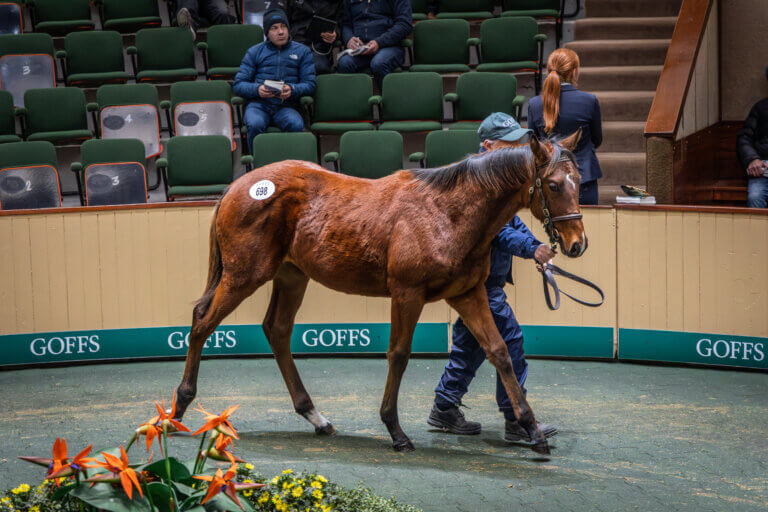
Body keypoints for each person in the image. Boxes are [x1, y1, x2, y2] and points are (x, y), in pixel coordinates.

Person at [428, 112, 558, 445]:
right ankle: (517, 418)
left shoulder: (496, 181)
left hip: (485, 281)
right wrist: (532, 249)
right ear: (489, 147)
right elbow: (499, 232)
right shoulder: (475, 184)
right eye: (511, 143)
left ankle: (444, 406)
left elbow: (512, 224)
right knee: (509, 342)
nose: (519, 149)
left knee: (470, 346)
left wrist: (536, 247)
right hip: (481, 284)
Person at [233, 9, 316, 154]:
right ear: (267, 33)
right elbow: (239, 84)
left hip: (287, 106)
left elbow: (310, 84)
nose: (281, 32)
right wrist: (257, 90)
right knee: (255, 123)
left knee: (295, 123)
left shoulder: (303, 51)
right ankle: (257, 166)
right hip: (258, 104)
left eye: (283, 27)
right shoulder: (255, 51)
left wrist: (292, 89)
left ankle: (289, 166)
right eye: (274, 28)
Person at [528, 48, 602, 205]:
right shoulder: (589, 101)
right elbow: (597, 139)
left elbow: (534, 145)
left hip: (550, 182)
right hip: (583, 179)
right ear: (574, 72)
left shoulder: (534, 104)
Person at [336, 0, 412, 87]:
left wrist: (379, 42)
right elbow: (346, 24)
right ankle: (355, 100)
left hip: (388, 46)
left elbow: (404, 24)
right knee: (344, 63)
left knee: (378, 63)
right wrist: (349, 39)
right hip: (360, 49)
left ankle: (387, 99)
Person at [736, 68, 768, 208]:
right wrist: (752, 159)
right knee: (755, 198)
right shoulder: (760, 108)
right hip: (763, 168)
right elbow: (744, 138)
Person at [285, 0, 343, 75]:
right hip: (295, 41)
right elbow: (282, 18)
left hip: (319, 47)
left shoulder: (337, 2)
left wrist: (335, 33)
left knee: (319, 67)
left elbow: (341, 23)